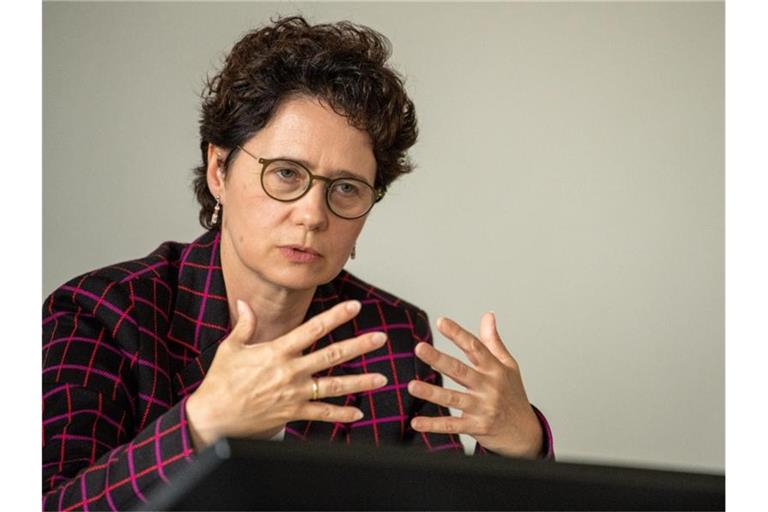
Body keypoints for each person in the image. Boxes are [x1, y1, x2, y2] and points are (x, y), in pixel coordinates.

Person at [42, 15, 553, 510]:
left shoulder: (393, 335)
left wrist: (519, 444)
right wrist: (200, 425)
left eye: (346, 188)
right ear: (220, 170)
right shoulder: (101, 314)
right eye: (286, 174)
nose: (312, 215)